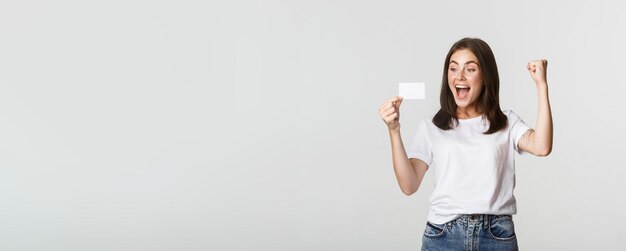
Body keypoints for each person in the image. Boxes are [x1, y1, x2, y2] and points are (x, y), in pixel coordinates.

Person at [378, 37, 553, 250]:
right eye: (453, 69)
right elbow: (409, 185)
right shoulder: (432, 126)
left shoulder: (506, 122)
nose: (459, 76)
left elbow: (542, 146)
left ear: (486, 76)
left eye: (470, 69)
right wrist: (394, 131)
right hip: (443, 236)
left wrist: (541, 86)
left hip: (496, 235)